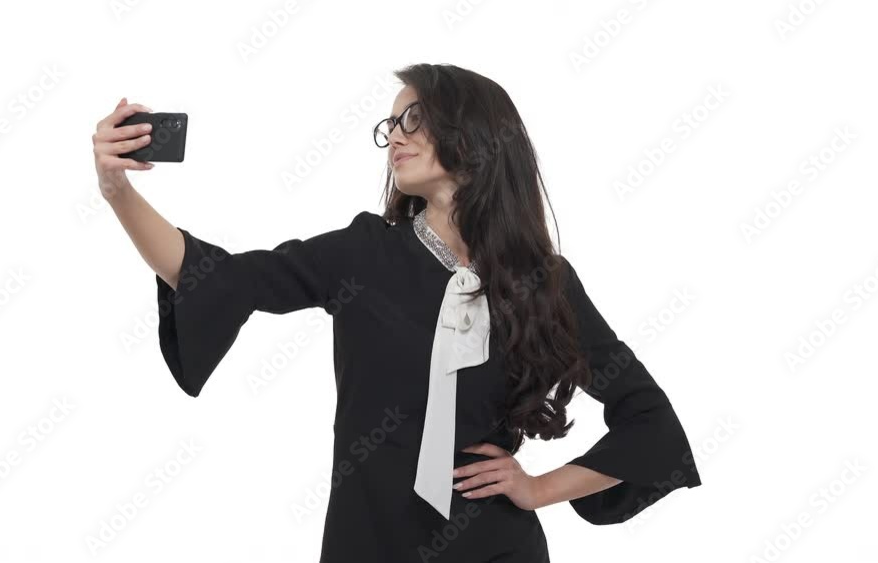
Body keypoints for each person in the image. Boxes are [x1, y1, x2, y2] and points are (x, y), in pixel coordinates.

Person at [91, 63, 702, 562]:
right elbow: (214, 276)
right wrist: (118, 191)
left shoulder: (542, 282)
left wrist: (539, 488)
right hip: (367, 544)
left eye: (415, 117)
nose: (397, 135)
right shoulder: (363, 254)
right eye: (391, 124)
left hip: (495, 548)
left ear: (476, 133)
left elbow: (653, 426)